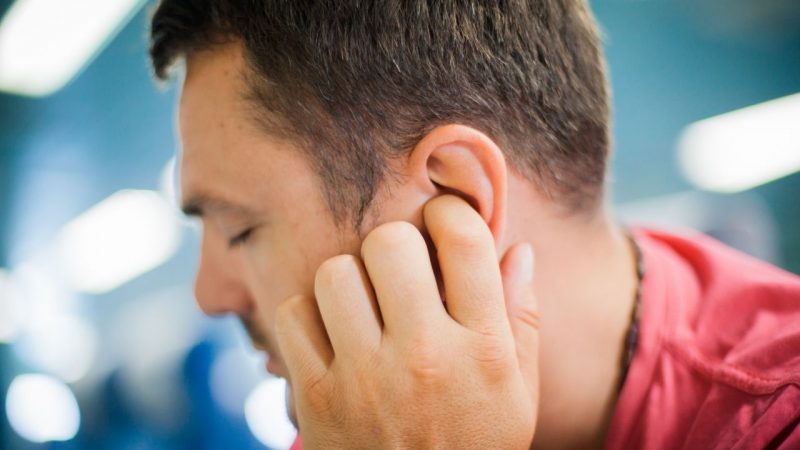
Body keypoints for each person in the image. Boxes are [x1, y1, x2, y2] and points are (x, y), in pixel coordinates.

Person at [147, 1, 800, 448]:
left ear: (454, 201)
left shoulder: (778, 419)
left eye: (240, 230)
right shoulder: (368, 420)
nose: (209, 295)